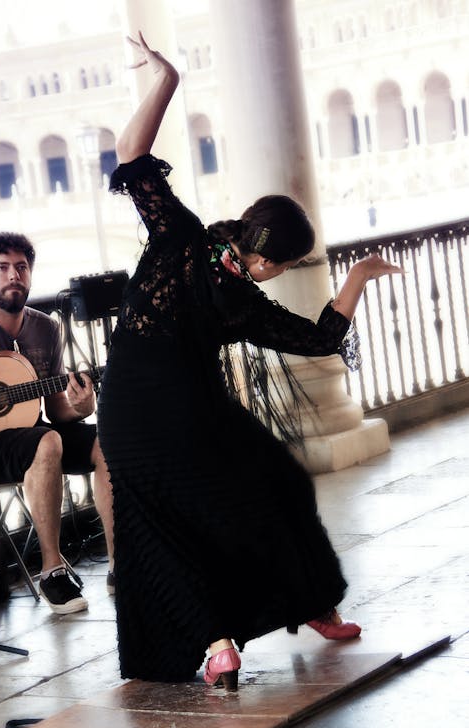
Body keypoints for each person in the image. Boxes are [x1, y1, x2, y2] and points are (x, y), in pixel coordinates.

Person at [97, 33, 403, 689]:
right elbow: (324, 338)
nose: (278, 275)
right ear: (267, 259)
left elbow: (130, 153)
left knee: (178, 517)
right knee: (266, 490)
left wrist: (166, 80)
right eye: (284, 267)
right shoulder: (241, 299)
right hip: (174, 412)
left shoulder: (179, 234)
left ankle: (230, 641)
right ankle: (271, 620)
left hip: (133, 408)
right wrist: (359, 280)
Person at [0, 232, 115, 614]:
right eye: (2, 268)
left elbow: (56, 409)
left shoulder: (46, 328)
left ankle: (122, 565)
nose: (13, 276)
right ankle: (52, 571)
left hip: (34, 434)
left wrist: (81, 408)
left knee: (109, 442)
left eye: (21, 268)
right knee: (47, 441)